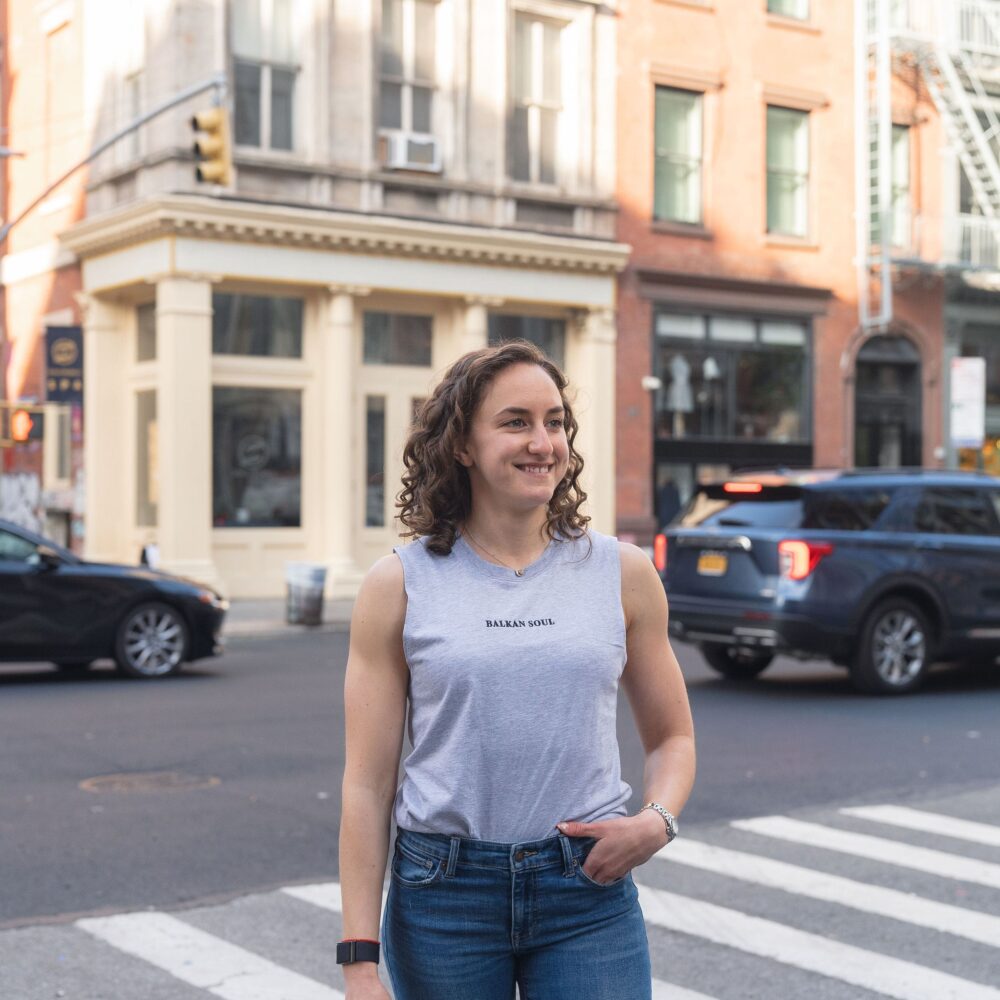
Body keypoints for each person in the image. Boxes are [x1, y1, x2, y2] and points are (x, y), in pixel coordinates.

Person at [338, 339, 696, 1000]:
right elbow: (367, 784)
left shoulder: (623, 574)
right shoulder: (400, 585)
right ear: (463, 445)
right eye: (515, 422)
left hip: (586, 891)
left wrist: (655, 822)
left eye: (554, 421)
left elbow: (673, 737)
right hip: (444, 897)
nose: (543, 441)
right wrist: (359, 960)